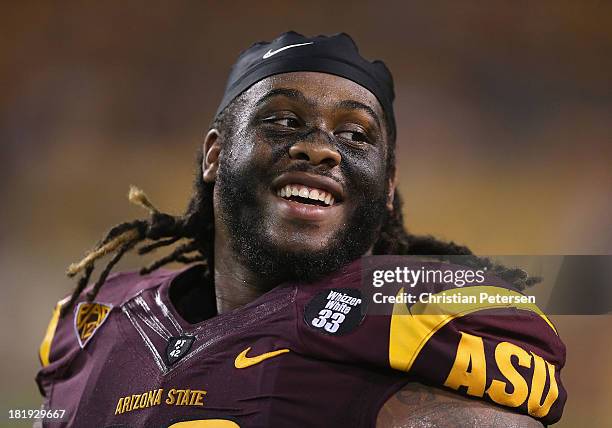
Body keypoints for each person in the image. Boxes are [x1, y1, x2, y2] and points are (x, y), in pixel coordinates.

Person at [36, 31, 565, 427]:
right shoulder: (96, 322)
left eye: (355, 133)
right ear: (215, 154)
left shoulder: (402, 313)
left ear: (386, 186)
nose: (318, 146)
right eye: (283, 120)